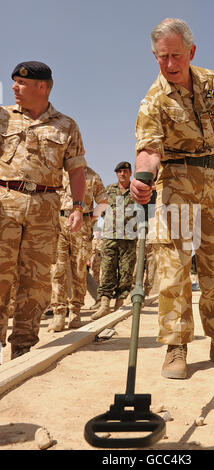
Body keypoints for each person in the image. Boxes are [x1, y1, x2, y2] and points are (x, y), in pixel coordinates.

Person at [130, 18, 214, 379]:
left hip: (212, 189)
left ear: (191, 52)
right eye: (162, 57)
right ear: (155, 56)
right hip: (176, 189)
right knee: (175, 273)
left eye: (176, 55)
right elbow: (149, 149)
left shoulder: (212, 81)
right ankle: (176, 346)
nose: (169, 64)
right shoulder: (153, 101)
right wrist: (143, 178)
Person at [0, 61, 86, 359]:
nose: (14, 87)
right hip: (5, 202)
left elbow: (76, 170)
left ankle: (23, 344)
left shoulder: (66, 125)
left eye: (20, 83)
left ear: (42, 87)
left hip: (45, 208)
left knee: (35, 279)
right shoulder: (3, 117)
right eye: (13, 82)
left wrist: (77, 206)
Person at [48, 167, 107, 332]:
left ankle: (75, 312)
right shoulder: (57, 173)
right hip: (58, 222)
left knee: (79, 269)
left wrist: (90, 219)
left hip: (82, 223)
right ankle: (59, 313)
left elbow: (103, 201)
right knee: (57, 269)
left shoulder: (92, 176)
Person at [90, 162, 137, 319]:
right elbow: (101, 209)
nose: (122, 174)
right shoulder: (109, 190)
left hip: (129, 239)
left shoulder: (136, 191)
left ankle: (119, 305)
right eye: (119, 171)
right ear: (116, 174)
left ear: (130, 173)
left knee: (126, 273)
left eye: (125, 171)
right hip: (110, 237)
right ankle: (104, 304)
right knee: (107, 270)